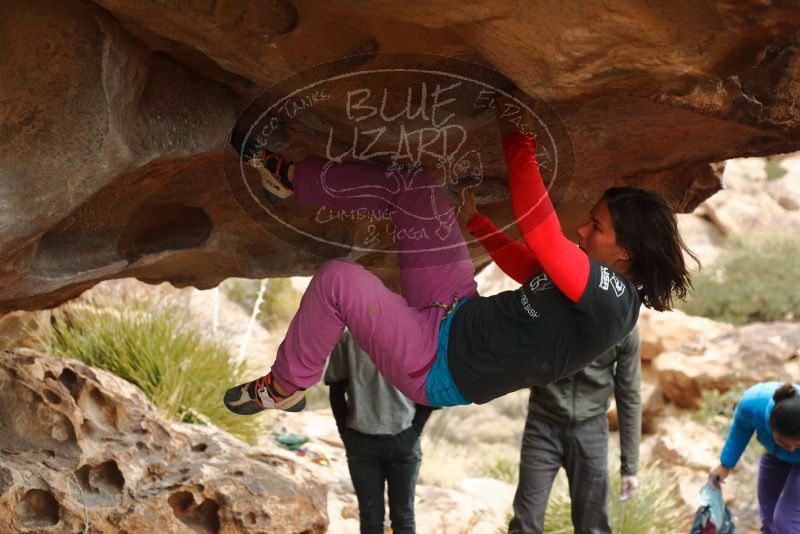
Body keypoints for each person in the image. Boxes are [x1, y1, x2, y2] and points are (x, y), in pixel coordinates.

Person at [224, 92, 696, 414]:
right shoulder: (588, 282)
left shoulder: (615, 303)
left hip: (433, 365)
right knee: (417, 187)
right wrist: (476, 223)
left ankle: (285, 386)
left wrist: (517, 136)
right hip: (453, 306)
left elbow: (545, 240)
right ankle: (289, 179)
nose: (582, 228)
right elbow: (531, 266)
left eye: (596, 226)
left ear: (627, 255)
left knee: (337, 280)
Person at [508, 326, 641, 534]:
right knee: (525, 524)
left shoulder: (623, 322)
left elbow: (629, 395)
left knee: (593, 526)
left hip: (591, 430)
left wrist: (630, 467)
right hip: (542, 424)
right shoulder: (549, 304)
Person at [325, 329, 433, 534]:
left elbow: (431, 389)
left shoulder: (413, 335)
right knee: (370, 520)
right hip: (361, 443)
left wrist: (415, 430)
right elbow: (336, 389)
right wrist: (345, 433)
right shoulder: (348, 337)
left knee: (403, 519)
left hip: (403, 440)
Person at [709, 382, 800, 533]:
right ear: (770, 425)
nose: (791, 448)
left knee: (787, 522)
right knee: (768, 515)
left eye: (797, 443)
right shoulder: (753, 404)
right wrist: (725, 465)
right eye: (784, 442)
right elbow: (741, 428)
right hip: (775, 455)